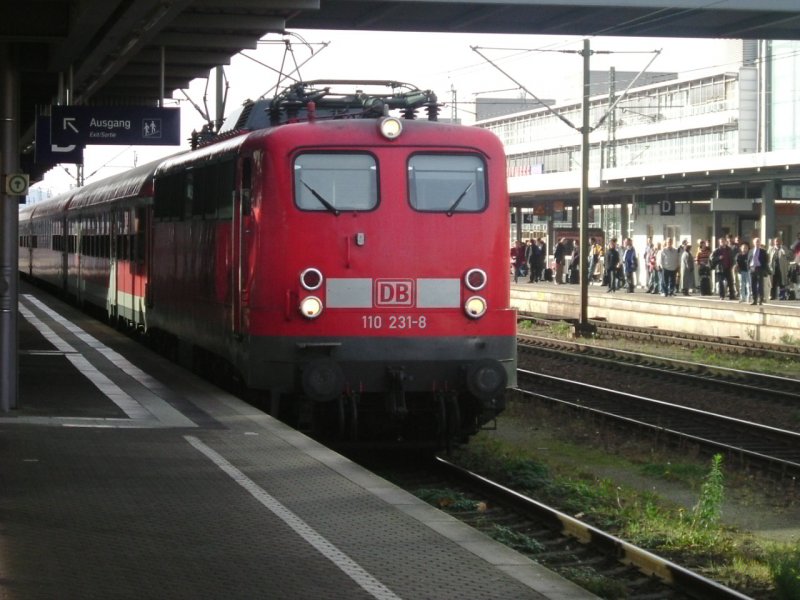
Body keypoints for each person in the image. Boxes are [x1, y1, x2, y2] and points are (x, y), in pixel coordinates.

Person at [748, 237, 769, 305]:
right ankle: (754, 299)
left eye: (758, 241)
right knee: (753, 285)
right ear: (753, 243)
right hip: (752, 268)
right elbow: (748, 260)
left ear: (760, 243)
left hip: (760, 268)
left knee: (760, 285)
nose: (757, 243)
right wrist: (749, 268)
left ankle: (761, 299)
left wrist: (764, 269)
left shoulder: (763, 251)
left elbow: (766, 261)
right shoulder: (751, 251)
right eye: (756, 242)